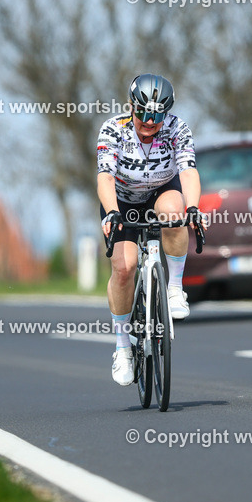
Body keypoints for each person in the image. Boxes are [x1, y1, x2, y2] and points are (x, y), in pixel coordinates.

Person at [97, 74, 206, 386]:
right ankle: (122, 348)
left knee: (175, 213)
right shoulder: (113, 129)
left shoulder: (177, 128)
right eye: (143, 114)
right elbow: (104, 176)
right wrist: (113, 213)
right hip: (121, 199)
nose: (149, 122)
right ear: (132, 107)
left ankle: (174, 290)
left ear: (166, 113)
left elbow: (188, 170)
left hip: (161, 191)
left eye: (156, 116)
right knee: (124, 267)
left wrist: (194, 207)